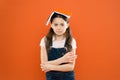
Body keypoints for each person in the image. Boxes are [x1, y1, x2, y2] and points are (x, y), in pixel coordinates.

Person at [40, 11, 77, 80]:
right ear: (51, 25)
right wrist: (63, 59)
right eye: (56, 24)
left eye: (62, 24)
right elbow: (44, 65)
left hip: (68, 77)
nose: (59, 28)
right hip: (51, 78)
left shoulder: (71, 41)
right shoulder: (45, 41)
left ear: (67, 25)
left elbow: (70, 67)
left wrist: (50, 67)